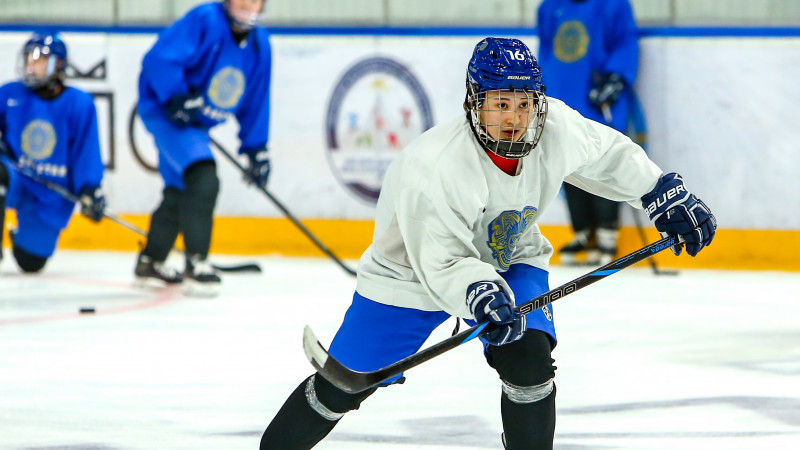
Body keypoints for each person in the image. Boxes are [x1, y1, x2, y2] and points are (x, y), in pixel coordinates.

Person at [259, 37, 716, 449]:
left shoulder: (555, 125)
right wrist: (478, 292)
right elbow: (442, 262)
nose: (514, 118)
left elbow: (608, 154)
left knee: (529, 362)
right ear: (474, 103)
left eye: (524, 103)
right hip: (411, 276)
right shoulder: (435, 167)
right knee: (342, 386)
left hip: (509, 255)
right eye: (500, 104)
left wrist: (661, 193)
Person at [134, 0, 272, 296]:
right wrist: (176, 96)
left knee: (180, 188)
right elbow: (159, 59)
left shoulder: (260, 45)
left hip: (195, 123)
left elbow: (257, 99)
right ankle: (197, 263)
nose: (246, 4)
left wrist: (256, 148)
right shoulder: (206, 19)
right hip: (165, 111)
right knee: (203, 177)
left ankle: (150, 261)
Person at [536, 0, 640, 265]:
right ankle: (582, 232)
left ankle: (606, 231)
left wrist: (616, 77)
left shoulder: (613, 4)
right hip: (561, 96)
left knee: (603, 159)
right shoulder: (550, 7)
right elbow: (546, 52)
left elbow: (625, 43)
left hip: (596, 101)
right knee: (567, 164)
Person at [0, 33, 105, 273]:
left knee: (31, 262)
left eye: (39, 60)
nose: (31, 65)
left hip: (49, 191)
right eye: (29, 59)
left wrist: (90, 189)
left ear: (58, 66)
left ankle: (22, 236)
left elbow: (86, 153)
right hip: (15, 178)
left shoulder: (79, 103)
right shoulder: (9, 94)